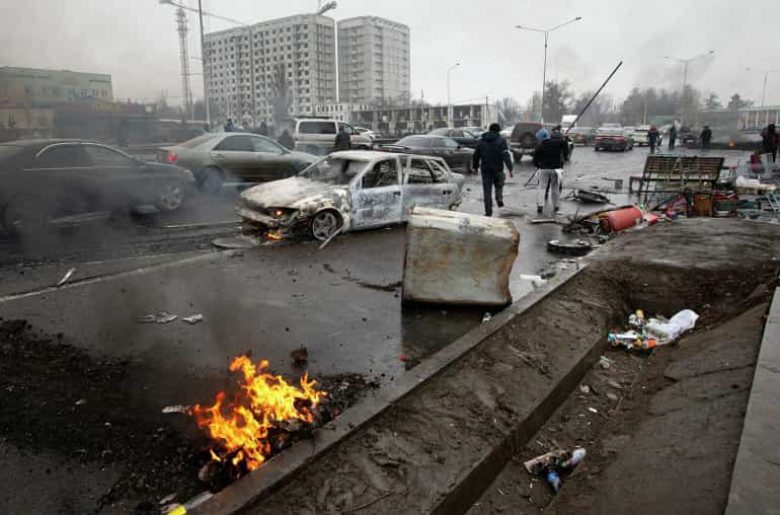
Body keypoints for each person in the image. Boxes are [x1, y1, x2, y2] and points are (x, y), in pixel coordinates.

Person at [472, 123, 514, 217]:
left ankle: (488, 212)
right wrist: (510, 169)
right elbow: (505, 155)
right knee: (499, 184)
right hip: (498, 169)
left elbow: (476, 155)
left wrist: (475, 167)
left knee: (487, 192)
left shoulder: (481, 141)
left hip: (486, 170)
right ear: (498, 131)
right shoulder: (501, 141)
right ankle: (499, 197)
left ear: (489, 130)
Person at [533, 129, 565, 214]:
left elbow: (535, 158)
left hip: (544, 169)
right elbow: (564, 149)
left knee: (542, 187)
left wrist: (538, 165)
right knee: (555, 187)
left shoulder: (540, 145)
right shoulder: (557, 143)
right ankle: (556, 205)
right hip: (556, 169)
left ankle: (540, 206)